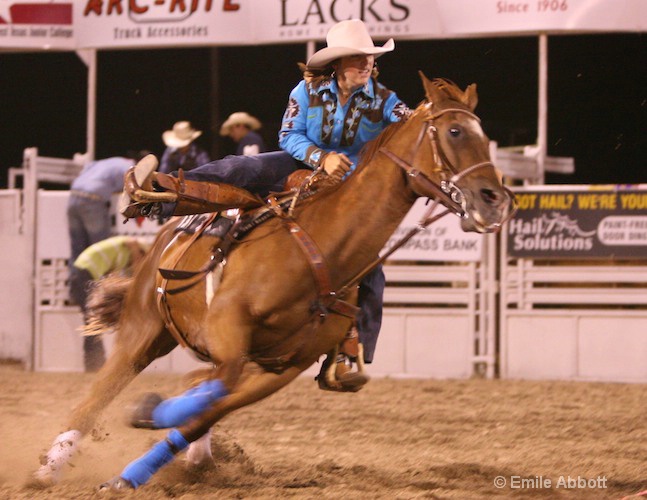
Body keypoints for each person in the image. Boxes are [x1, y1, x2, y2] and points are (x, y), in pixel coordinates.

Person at [121, 19, 411, 391]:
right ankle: (157, 196)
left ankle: (349, 353)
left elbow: (412, 122)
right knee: (240, 168)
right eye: (357, 58)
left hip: (351, 185)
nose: (365, 64)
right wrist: (320, 157)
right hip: (304, 162)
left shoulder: (386, 101)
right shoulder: (305, 92)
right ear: (337, 64)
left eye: (368, 58)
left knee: (367, 262)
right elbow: (289, 135)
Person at [69, 235, 149, 372]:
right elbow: (132, 241)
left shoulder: (121, 257)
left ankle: (95, 363)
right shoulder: (132, 247)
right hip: (85, 273)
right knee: (92, 321)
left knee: (92, 321)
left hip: (82, 272)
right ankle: (94, 364)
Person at [67, 152, 147, 270]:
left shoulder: (109, 161)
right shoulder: (130, 169)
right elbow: (132, 191)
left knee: (77, 249)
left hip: (73, 197)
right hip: (92, 200)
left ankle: (75, 284)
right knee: (100, 247)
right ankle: (98, 285)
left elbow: (85, 171)